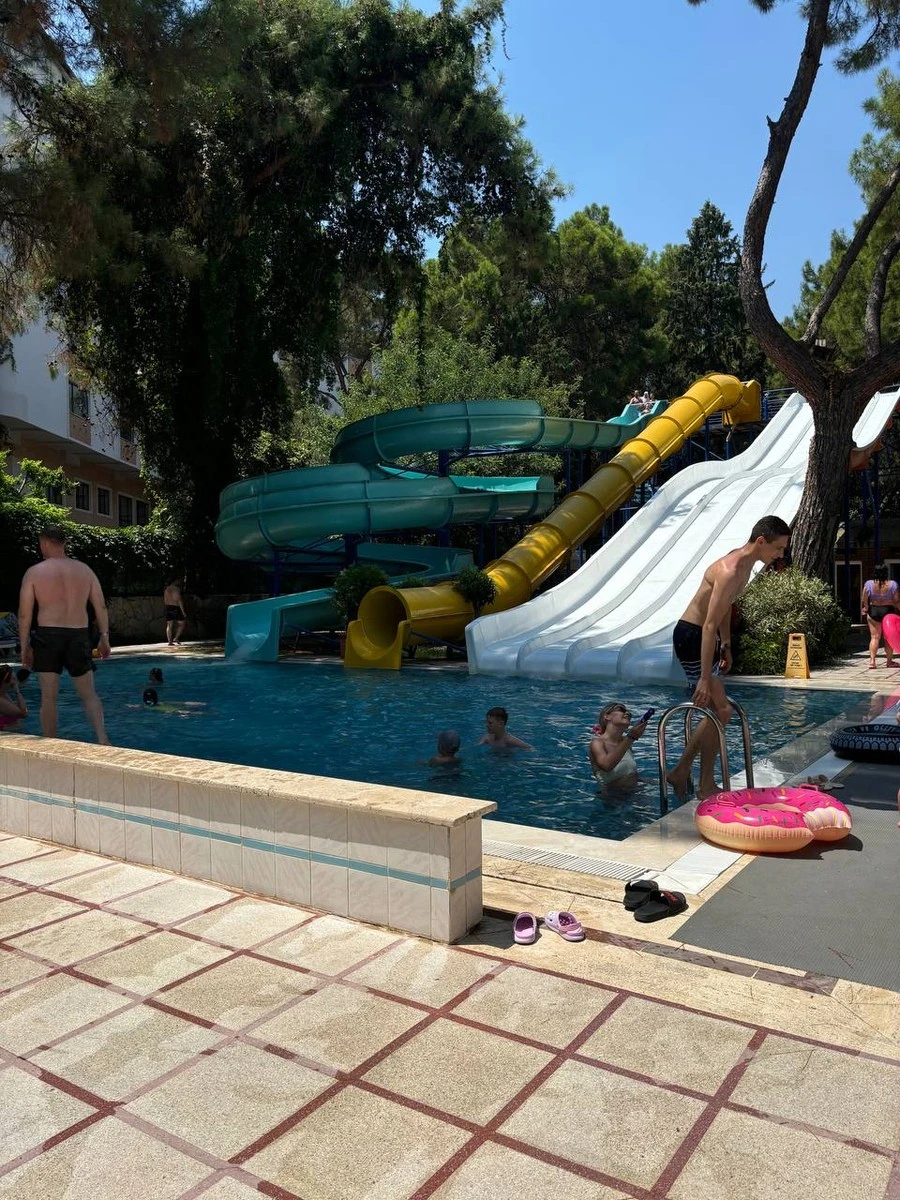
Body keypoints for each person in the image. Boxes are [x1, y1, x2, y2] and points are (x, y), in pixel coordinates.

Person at [666, 515, 790, 800]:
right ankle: (684, 772)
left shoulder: (746, 565)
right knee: (720, 710)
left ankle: (700, 781)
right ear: (761, 541)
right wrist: (704, 679)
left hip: (702, 637)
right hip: (693, 636)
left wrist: (726, 645)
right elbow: (708, 624)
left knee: (718, 711)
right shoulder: (731, 569)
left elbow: (725, 607)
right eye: (778, 548)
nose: (780, 555)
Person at [18, 525, 111, 744]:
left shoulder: (35, 572)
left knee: (49, 697)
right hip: (78, 635)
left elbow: (24, 614)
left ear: (44, 542)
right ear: (64, 544)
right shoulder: (85, 570)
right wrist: (104, 636)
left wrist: (24, 646)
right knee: (89, 694)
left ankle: (51, 744)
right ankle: (103, 738)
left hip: (48, 636)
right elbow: (100, 606)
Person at [589, 702, 648, 789]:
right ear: (607, 716)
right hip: (614, 795)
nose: (627, 713)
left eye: (627, 711)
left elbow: (630, 776)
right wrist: (630, 738)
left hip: (635, 792)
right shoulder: (597, 743)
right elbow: (607, 766)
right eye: (621, 710)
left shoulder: (625, 742)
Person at [861, 563, 899, 669]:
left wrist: (866, 608)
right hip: (888, 612)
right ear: (886, 573)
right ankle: (889, 661)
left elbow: (864, 598)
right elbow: (896, 601)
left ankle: (872, 661)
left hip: (874, 611)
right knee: (888, 638)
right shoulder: (893, 584)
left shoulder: (869, 584)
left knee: (874, 637)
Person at [0, 664, 28, 730]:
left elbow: (18, 710)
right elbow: (24, 714)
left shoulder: (4, 694)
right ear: (5, 681)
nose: (15, 682)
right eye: (13, 679)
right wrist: (17, 691)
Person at [163, 579, 187, 647]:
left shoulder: (166, 589)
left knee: (169, 625)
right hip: (175, 607)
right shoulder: (176, 589)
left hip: (168, 607)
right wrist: (183, 611)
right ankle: (176, 638)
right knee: (182, 623)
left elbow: (165, 600)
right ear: (175, 581)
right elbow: (179, 600)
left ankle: (170, 642)